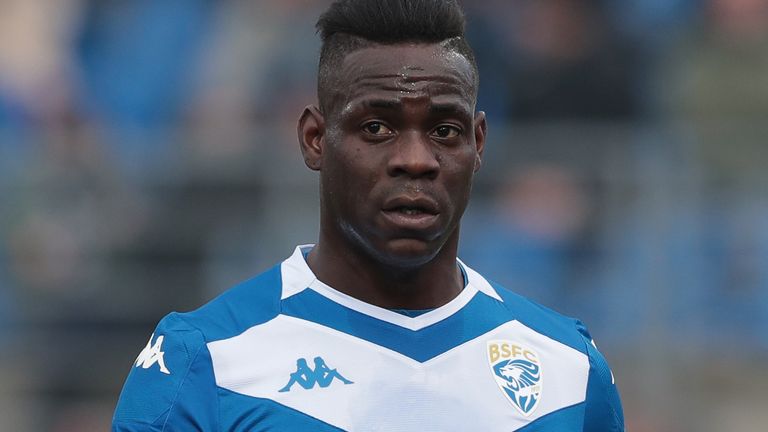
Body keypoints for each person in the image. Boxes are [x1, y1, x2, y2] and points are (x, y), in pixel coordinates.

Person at [112, 0, 624, 430]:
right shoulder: (204, 361)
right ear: (315, 139)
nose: (416, 160)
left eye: (445, 130)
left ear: (479, 144)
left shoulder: (569, 374)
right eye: (377, 127)